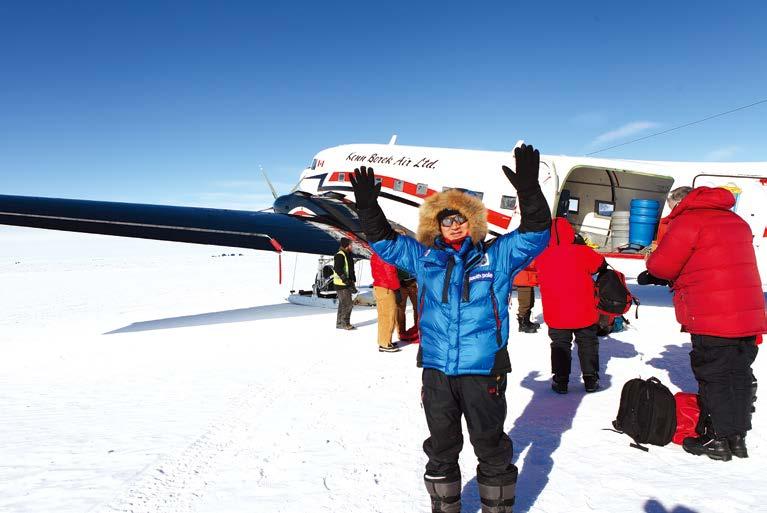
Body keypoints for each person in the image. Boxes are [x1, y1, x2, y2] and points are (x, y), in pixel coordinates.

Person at [350, 144, 550, 513]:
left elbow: (537, 233)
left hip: (483, 369)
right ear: (436, 225)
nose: (455, 225)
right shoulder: (424, 257)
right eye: (447, 219)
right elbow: (384, 243)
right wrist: (368, 208)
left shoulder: (497, 255)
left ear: (473, 222)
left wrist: (529, 190)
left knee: (490, 445)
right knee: (441, 447)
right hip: (438, 370)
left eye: (461, 219)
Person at [645, 186, 765, 461]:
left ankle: (716, 439)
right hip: (747, 313)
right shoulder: (737, 222)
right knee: (740, 375)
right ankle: (737, 439)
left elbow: (662, 267)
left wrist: (652, 267)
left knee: (715, 377)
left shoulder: (690, 221)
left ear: (682, 202)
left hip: (712, 314)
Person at [536, 217, 606, 394]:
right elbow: (600, 264)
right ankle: (591, 378)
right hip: (584, 309)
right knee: (588, 341)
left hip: (556, 311)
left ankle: (561, 381)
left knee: (560, 343)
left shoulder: (541, 255)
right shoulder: (582, 252)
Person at [370, 251, 402, 352]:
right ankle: (385, 344)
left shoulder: (375, 255)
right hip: (387, 288)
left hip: (378, 287)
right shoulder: (386, 256)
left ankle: (383, 341)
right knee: (389, 316)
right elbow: (390, 273)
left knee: (382, 316)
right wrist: (397, 289)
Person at [333, 237, 357, 330]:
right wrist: (345, 280)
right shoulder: (340, 255)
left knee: (343, 303)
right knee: (348, 304)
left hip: (347, 283)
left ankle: (339, 323)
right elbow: (337, 269)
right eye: (351, 244)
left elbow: (350, 270)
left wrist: (352, 281)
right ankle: (345, 323)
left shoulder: (348, 254)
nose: (352, 246)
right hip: (341, 284)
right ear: (347, 245)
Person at [513, 263, 540, 333]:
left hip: (529, 278)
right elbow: (525, 263)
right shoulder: (522, 253)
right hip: (523, 279)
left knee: (530, 302)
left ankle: (527, 321)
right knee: (525, 303)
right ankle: (522, 325)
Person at [396, 266, 420, 343]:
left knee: (418, 307)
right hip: (401, 284)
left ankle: (418, 330)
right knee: (401, 309)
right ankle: (401, 332)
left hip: (412, 283)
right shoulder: (399, 255)